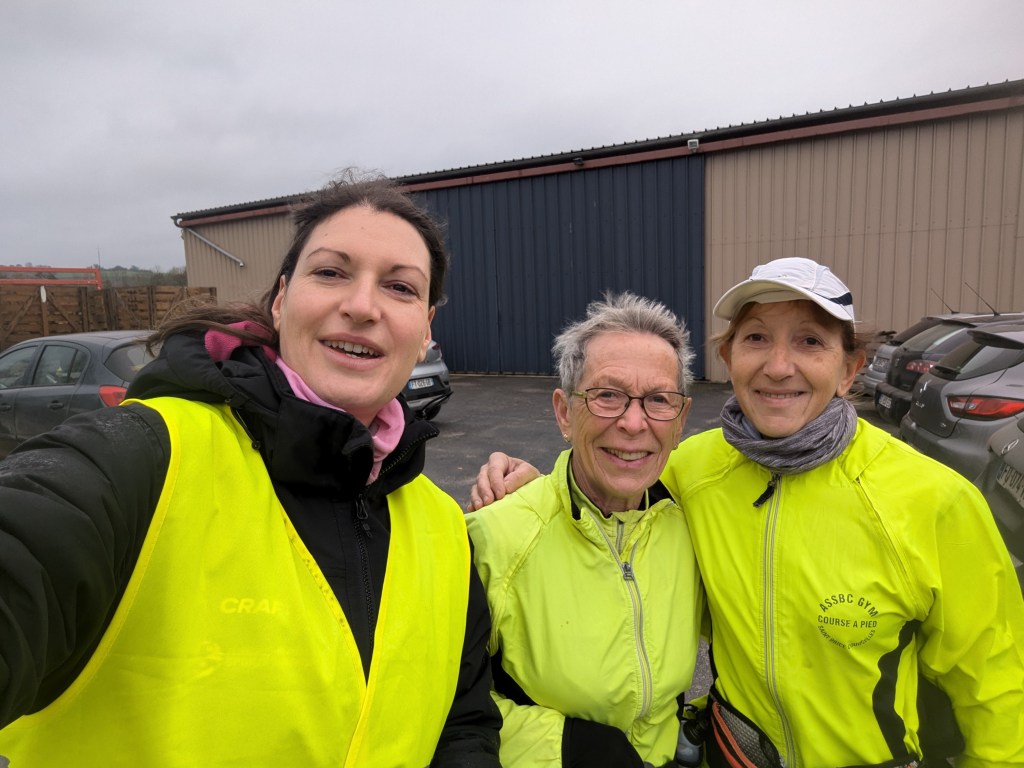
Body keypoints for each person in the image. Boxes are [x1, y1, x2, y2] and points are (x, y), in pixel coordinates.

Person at [0, 174, 502, 767]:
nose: (362, 306)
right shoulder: (142, 459)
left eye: (399, 287)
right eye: (331, 272)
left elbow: (462, 724)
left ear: (424, 332)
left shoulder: (444, 529)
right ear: (281, 300)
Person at [470, 258, 1024, 767]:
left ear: (849, 370)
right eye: (757, 337)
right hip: (732, 756)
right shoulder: (692, 470)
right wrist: (538, 487)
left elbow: (998, 684)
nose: (779, 366)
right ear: (730, 358)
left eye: (810, 341)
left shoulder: (936, 501)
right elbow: (610, 477)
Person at [465, 292, 705, 767]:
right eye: (607, 395)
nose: (633, 423)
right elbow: (445, 705)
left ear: (680, 422)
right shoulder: (496, 536)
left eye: (659, 400)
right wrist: (571, 749)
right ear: (564, 413)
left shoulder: (695, 525)